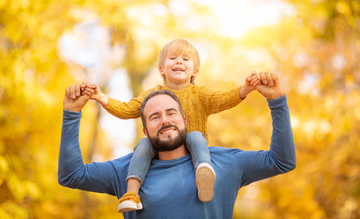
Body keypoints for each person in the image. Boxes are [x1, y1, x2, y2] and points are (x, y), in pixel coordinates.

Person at [59, 71, 296, 219]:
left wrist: (277, 101)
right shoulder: (126, 171)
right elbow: (71, 176)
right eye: (154, 117)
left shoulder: (224, 163)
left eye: (171, 113)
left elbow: (282, 161)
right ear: (145, 130)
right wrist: (71, 114)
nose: (164, 120)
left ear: (184, 120)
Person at [76, 39, 260, 212]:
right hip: (162, 149)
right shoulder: (153, 96)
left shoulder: (200, 95)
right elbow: (127, 110)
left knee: (195, 136)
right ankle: (132, 193)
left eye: (185, 59)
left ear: (194, 70)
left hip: (192, 150)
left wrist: (246, 89)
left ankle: (203, 172)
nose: (178, 62)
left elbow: (223, 100)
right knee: (143, 144)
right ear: (161, 69)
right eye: (173, 58)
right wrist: (101, 97)